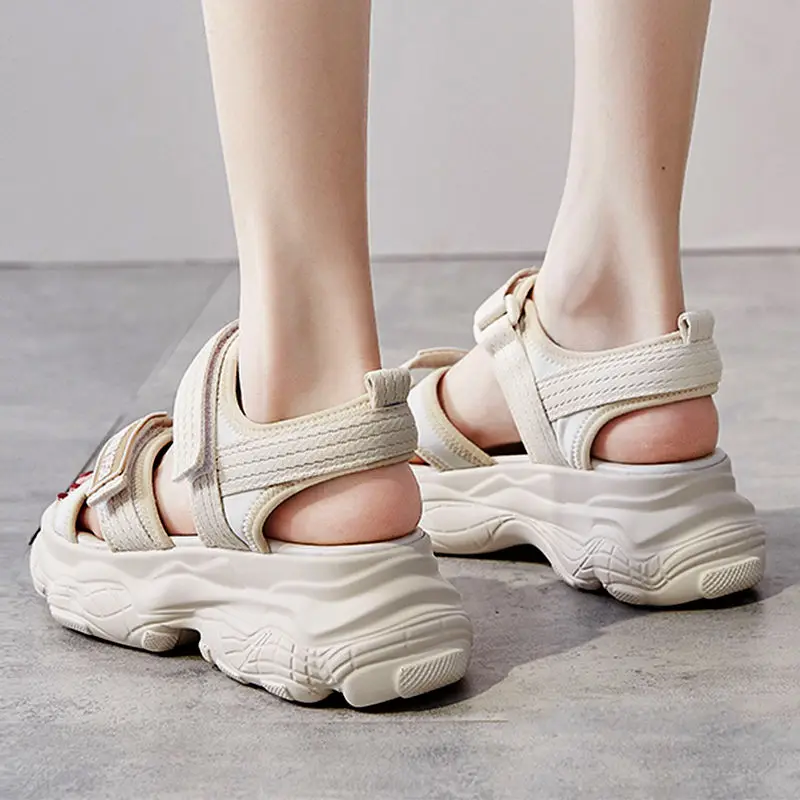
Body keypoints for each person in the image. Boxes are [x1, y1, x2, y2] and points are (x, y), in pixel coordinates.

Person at [30, 0, 764, 706]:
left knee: (314, 400)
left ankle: (306, 408)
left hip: (293, 476)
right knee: (613, 292)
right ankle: (615, 323)